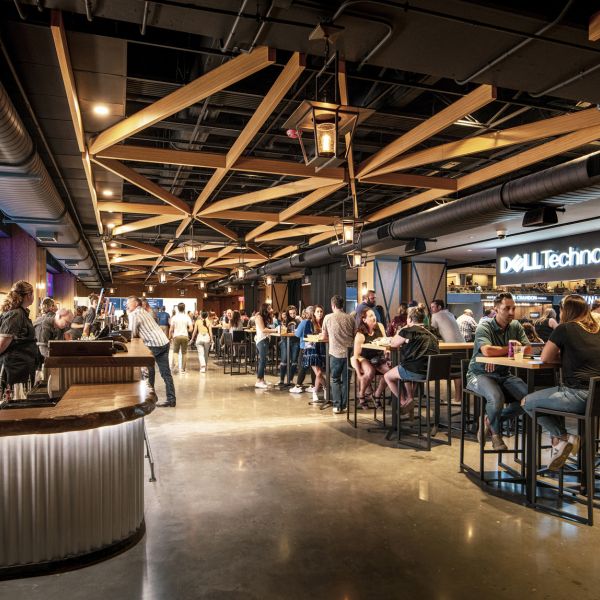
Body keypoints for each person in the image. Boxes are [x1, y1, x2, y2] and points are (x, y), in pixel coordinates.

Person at [522, 295, 600, 471]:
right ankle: (566, 448)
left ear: (565, 311)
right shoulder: (597, 329)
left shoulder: (565, 328)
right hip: (597, 397)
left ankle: (563, 438)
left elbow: (545, 357)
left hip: (578, 396)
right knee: (551, 399)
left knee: (527, 402)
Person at [466, 292, 530, 451]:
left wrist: (503, 351)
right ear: (495, 309)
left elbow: (527, 349)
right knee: (496, 398)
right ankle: (495, 435)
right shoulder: (485, 326)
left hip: (504, 374)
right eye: (506, 308)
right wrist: (511, 348)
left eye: (513, 308)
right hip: (479, 374)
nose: (511, 312)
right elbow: (487, 351)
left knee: (530, 399)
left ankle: (489, 420)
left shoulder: (515, 325)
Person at [384, 305, 440, 414]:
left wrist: (404, 329)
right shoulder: (432, 330)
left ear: (409, 319)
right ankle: (410, 399)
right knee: (406, 366)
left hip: (415, 370)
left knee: (388, 376)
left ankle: (403, 402)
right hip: (432, 371)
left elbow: (393, 343)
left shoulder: (409, 331)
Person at [127, 295, 176, 407]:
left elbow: (132, 334)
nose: (127, 305)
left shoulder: (134, 314)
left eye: (128, 303)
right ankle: (171, 399)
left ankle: (149, 399)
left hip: (154, 344)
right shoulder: (144, 311)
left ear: (135, 304)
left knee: (147, 371)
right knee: (166, 373)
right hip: (164, 342)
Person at [0, 281, 37, 391]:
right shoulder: (16, 314)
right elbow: (2, 345)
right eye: (33, 294)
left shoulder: (21, 312)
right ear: (28, 295)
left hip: (22, 367)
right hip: (15, 368)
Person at [321, 295, 355, 414]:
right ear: (342, 305)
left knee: (335, 379)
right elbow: (355, 334)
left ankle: (336, 405)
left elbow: (324, 336)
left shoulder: (328, 318)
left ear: (333, 305)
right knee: (346, 380)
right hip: (349, 354)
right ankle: (344, 405)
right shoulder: (351, 318)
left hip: (335, 353)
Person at [351, 308, 390, 409]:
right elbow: (356, 356)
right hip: (363, 358)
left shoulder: (380, 327)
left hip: (378, 357)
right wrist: (359, 374)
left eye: (374, 315)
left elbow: (385, 343)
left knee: (390, 373)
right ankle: (361, 395)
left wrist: (387, 354)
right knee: (370, 372)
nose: (374, 317)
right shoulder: (360, 335)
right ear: (364, 319)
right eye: (371, 316)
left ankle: (377, 395)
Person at [297, 305, 327, 403]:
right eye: (317, 311)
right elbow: (305, 337)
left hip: (322, 349)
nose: (319, 313)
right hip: (311, 350)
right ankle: (326, 387)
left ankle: (317, 391)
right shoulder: (309, 323)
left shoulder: (324, 323)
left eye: (321, 311)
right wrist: (317, 336)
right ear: (314, 313)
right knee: (318, 372)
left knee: (319, 373)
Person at [290, 307, 316, 394]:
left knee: (301, 366)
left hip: (304, 346)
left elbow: (297, 334)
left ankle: (298, 385)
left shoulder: (304, 322)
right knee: (313, 367)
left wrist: (296, 331)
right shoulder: (312, 323)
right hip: (311, 346)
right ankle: (314, 385)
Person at [277, 305, 301, 386]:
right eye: (291, 313)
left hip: (295, 342)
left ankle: (290, 380)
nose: (292, 315)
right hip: (285, 341)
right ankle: (281, 380)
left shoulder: (298, 321)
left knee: (294, 361)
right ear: (288, 313)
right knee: (284, 360)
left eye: (294, 313)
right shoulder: (284, 321)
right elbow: (282, 331)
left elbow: (300, 331)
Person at [254, 303, 277, 388]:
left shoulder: (265, 317)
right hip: (261, 340)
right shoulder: (259, 317)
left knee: (264, 360)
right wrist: (275, 330)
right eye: (269, 308)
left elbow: (270, 325)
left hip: (266, 339)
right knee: (262, 360)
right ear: (264, 309)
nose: (271, 310)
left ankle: (262, 380)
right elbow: (263, 330)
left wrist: (271, 315)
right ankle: (259, 380)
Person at [170, 302, 193, 373]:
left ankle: (176, 364)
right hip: (185, 336)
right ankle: (183, 369)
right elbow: (191, 328)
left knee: (175, 352)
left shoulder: (174, 317)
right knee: (184, 353)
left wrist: (170, 337)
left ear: (177, 308)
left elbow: (171, 329)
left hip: (176, 336)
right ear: (184, 308)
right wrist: (187, 330)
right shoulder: (187, 317)